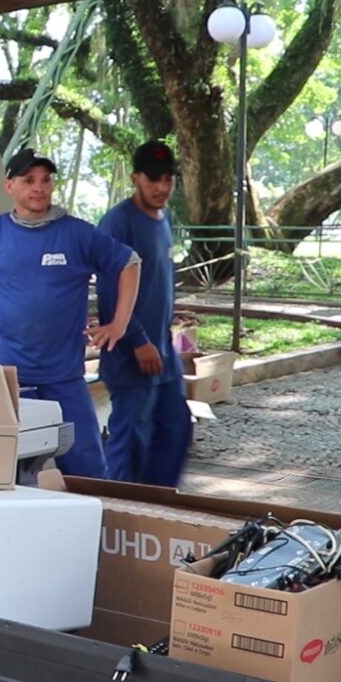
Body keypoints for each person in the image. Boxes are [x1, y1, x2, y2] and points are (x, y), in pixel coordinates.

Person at [0, 148, 141, 479]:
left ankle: (94, 527)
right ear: (9, 186)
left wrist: (119, 324)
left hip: (64, 377)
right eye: (28, 180)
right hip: (6, 376)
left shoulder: (77, 233)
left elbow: (129, 263)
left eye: (45, 180)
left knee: (87, 470)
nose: (39, 187)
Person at [97, 141, 192, 487]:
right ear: (136, 178)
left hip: (164, 351)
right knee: (132, 439)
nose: (162, 187)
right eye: (153, 179)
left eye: (168, 179)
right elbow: (109, 292)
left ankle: (160, 502)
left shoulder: (164, 219)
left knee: (174, 428)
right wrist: (137, 340)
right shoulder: (118, 224)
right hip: (131, 354)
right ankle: (123, 509)